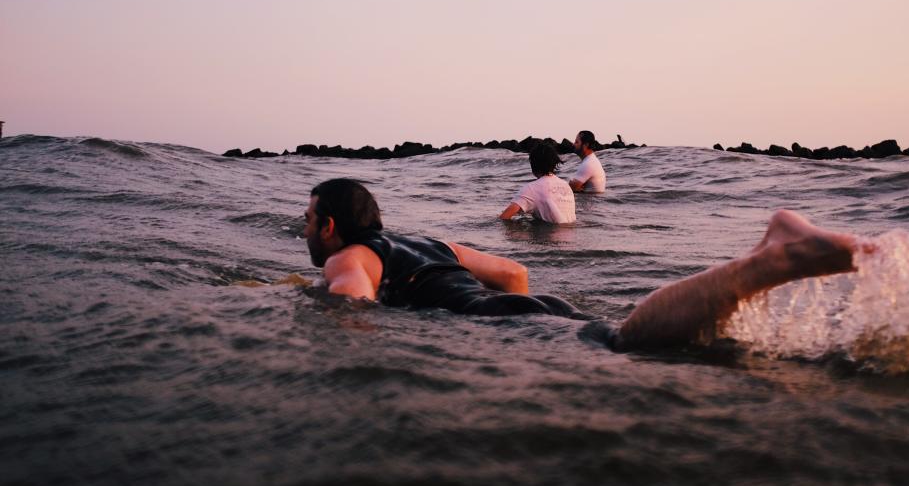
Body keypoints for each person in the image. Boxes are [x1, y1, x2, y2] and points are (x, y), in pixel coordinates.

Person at [305, 178, 864, 350]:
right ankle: (769, 251)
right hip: (529, 306)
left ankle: (771, 258)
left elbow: (352, 303)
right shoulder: (427, 244)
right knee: (635, 341)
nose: (306, 228)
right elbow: (514, 274)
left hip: (507, 320)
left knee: (627, 345)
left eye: (309, 218)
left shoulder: (349, 256)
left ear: (329, 225)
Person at [499, 141, 576, 224]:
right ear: (554, 163)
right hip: (571, 234)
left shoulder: (531, 188)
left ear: (533, 164)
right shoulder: (566, 185)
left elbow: (504, 217)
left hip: (550, 234)